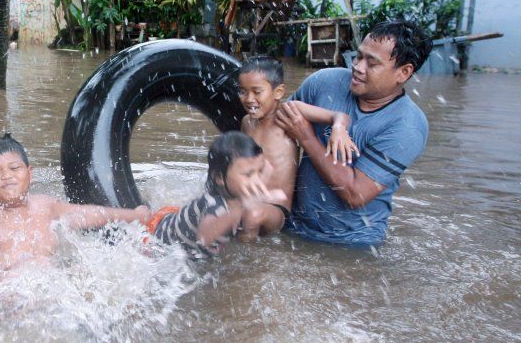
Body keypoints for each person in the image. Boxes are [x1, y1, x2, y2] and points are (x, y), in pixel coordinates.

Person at [276, 20, 431, 246]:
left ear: (404, 72)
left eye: (372, 63)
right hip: (291, 225)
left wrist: (306, 136)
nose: (358, 67)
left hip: (350, 244)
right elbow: (277, 127)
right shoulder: (324, 81)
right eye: (359, 56)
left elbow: (355, 194)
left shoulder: (407, 126)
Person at [0, 133, 151, 297]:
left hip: (54, 292)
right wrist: (9, 305)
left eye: (14, 168)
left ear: (29, 173)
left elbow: (86, 214)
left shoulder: (44, 205)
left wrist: (133, 215)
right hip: (15, 304)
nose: (6, 175)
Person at [236, 56, 357, 241]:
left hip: (276, 208)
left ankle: (244, 261)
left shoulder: (290, 112)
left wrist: (338, 129)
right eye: (243, 92)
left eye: (256, 91)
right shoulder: (247, 123)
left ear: (278, 92)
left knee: (252, 216)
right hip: (250, 200)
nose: (249, 99)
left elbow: (340, 116)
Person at [147, 131, 287, 260]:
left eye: (260, 171)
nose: (256, 180)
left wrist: (267, 187)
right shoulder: (214, 204)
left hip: (179, 220)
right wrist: (238, 210)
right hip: (157, 232)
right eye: (248, 174)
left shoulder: (240, 194)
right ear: (219, 178)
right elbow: (204, 238)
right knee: (142, 217)